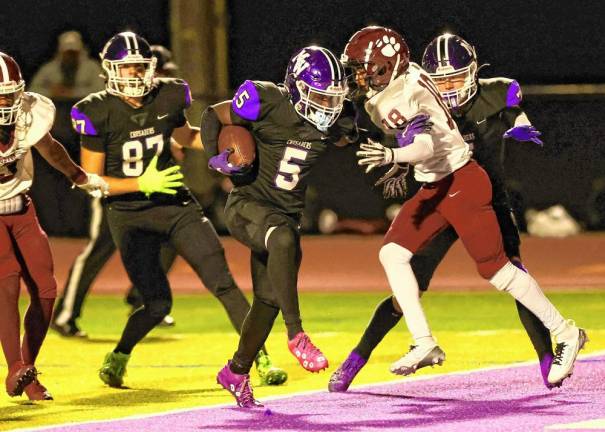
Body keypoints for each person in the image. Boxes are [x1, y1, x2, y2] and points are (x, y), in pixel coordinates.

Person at [333, 26, 586, 391]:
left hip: (462, 185)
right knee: (392, 254)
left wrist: (392, 155)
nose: (358, 76)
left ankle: (565, 333)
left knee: (499, 272)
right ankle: (424, 343)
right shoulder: (407, 76)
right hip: (436, 187)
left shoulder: (403, 96)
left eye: (364, 68)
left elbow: (421, 145)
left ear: (387, 67)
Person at [72, 31, 286, 388]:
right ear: (111, 71)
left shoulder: (169, 94)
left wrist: (221, 151)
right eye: (127, 69)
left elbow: (183, 134)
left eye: (141, 68)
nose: (136, 76)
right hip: (128, 214)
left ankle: (256, 358)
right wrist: (142, 184)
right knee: (157, 305)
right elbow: (90, 177)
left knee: (224, 283)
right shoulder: (95, 110)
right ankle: (120, 354)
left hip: (175, 202)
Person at [202, 45, 354, 407]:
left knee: (269, 299)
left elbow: (356, 134)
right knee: (282, 239)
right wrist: (216, 158)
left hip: (285, 214)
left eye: (332, 98)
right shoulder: (264, 99)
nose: (326, 106)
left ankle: (235, 372)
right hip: (246, 206)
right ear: (297, 87)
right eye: (318, 96)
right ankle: (297, 334)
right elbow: (212, 114)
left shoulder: (338, 119)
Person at [52, 44, 182, 337]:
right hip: (116, 189)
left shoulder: (159, 102)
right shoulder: (109, 105)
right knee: (98, 250)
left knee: (171, 239)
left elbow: (174, 140)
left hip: (153, 191)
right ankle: (65, 313)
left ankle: (145, 298)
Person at [0, 52, 107, 401]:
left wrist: (79, 176)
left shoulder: (29, 114)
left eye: (10, 93)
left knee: (46, 290)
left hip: (22, 208)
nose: (6, 102)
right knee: (8, 284)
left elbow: (49, 147)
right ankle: (15, 367)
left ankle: (26, 370)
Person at [29, 30, 104, 101]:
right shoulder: (49, 68)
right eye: (67, 53)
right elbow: (32, 91)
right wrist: (51, 92)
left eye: (73, 53)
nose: (70, 56)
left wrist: (72, 93)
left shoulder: (92, 67)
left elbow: (101, 91)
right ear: (61, 52)